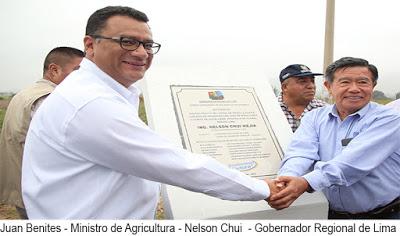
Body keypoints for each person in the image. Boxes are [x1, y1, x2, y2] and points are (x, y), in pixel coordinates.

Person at [21, 6, 277, 219]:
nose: (141, 53)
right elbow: (178, 165)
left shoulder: (104, 93)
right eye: (127, 41)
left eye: (147, 44)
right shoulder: (89, 103)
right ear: (90, 45)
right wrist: (261, 188)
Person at [269, 57, 400, 219]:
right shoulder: (314, 117)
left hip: (385, 216)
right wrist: (286, 179)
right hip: (333, 216)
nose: (354, 89)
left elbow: (353, 163)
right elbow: (301, 152)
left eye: (363, 82)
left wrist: (305, 183)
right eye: (345, 82)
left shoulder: (389, 119)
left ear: (373, 86)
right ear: (328, 86)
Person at [0, 47, 84, 219]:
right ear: (54, 69)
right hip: (41, 191)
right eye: (77, 71)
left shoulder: (25, 94)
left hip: (22, 185)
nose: (83, 78)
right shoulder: (49, 99)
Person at [278, 64, 326, 132]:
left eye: (312, 81)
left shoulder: (325, 111)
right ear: (285, 87)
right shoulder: (269, 110)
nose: (311, 86)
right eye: (302, 82)